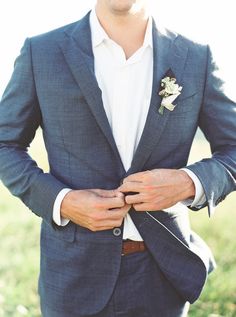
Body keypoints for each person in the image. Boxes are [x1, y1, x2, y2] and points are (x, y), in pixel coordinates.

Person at [0, 0, 235, 316]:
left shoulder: (196, 57)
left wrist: (187, 183)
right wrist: (62, 201)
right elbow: (4, 144)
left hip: (161, 275)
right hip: (73, 276)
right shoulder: (41, 52)